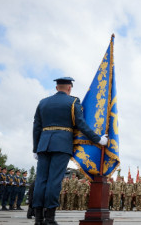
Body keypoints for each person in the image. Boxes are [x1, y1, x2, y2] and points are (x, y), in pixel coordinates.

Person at [32, 77, 108, 225]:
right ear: (69, 88)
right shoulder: (73, 102)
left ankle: (38, 218)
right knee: (54, 181)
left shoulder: (43, 102)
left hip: (43, 145)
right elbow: (81, 124)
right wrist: (97, 139)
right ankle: (50, 218)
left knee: (41, 180)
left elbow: (36, 127)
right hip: (61, 144)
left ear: (56, 88)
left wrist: (35, 148)